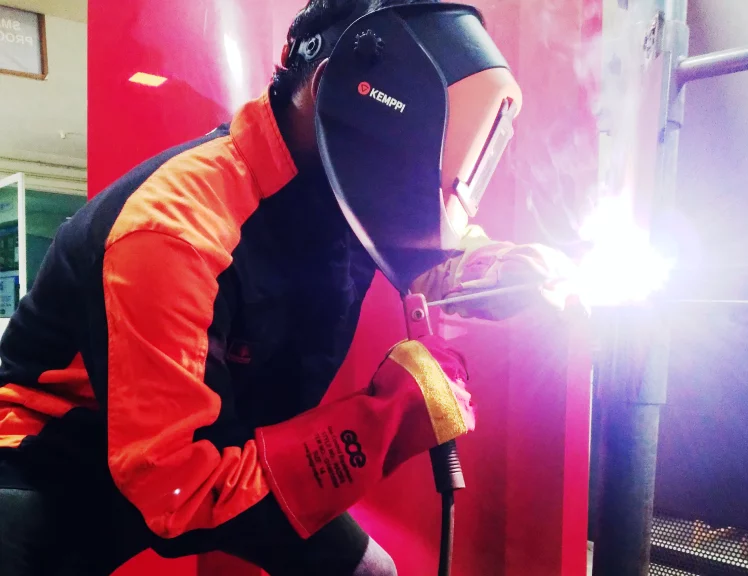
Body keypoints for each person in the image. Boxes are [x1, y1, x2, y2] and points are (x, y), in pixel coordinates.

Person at [0, 1, 569, 574]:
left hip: (203, 446)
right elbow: (178, 493)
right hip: (51, 466)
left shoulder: (348, 182)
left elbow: (429, 249)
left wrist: (497, 270)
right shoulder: (175, 233)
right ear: (332, 87)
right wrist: (384, 417)